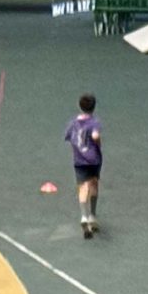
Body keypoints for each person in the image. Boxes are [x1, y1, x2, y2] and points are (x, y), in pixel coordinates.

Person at [65, 93, 103, 236]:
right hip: (93, 159)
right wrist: (98, 144)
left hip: (79, 160)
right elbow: (95, 136)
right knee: (94, 184)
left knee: (83, 186)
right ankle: (92, 215)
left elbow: (69, 137)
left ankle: (83, 216)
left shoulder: (74, 122)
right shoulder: (94, 122)